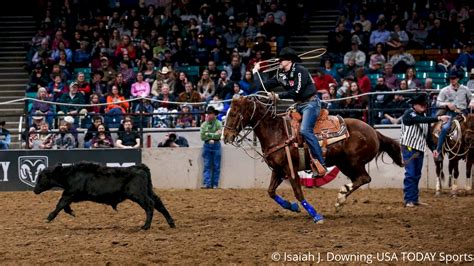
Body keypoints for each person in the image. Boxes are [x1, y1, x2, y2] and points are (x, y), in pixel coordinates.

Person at [253, 47, 327, 177]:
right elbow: (262, 87)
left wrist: (278, 96)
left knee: (305, 130)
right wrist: (256, 72)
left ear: (290, 61)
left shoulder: (300, 71)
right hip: (299, 105)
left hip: (311, 104)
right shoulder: (280, 75)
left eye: (282, 60)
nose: (279, 62)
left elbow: (296, 91)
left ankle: (321, 163)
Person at [400, 94, 450, 207]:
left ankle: (414, 199)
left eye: (424, 104)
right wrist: (438, 118)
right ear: (414, 105)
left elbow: (427, 137)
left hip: (419, 148)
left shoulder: (424, 116)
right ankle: (409, 200)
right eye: (421, 104)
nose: (424, 106)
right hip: (409, 147)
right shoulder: (409, 113)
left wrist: (433, 149)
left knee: (416, 174)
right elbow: (419, 119)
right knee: (411, 173)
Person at [434, 70, 473, 159]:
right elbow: (438, 103)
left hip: (464, 113)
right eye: (451, 79)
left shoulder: (465, 89)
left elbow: (472, 97)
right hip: (450, 114)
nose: (452, 80)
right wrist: (446, 104)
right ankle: (439, 151)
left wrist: (472, 102)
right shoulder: (444, 90)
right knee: (445, 128)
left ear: (458, 79)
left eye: (454, 78)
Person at [200, 106, 222, 189]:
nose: (210, 115)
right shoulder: (204, 124)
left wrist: (208, 134)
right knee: (207, 165)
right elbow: (202, 137)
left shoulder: (218, 123)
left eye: (211, 114)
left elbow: (220, 134)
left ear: (214, 114)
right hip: (208, 145)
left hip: (215, 144)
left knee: (216, 166)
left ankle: (215, 184)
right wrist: (214, 135)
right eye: (208, 114)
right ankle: (207, 184)